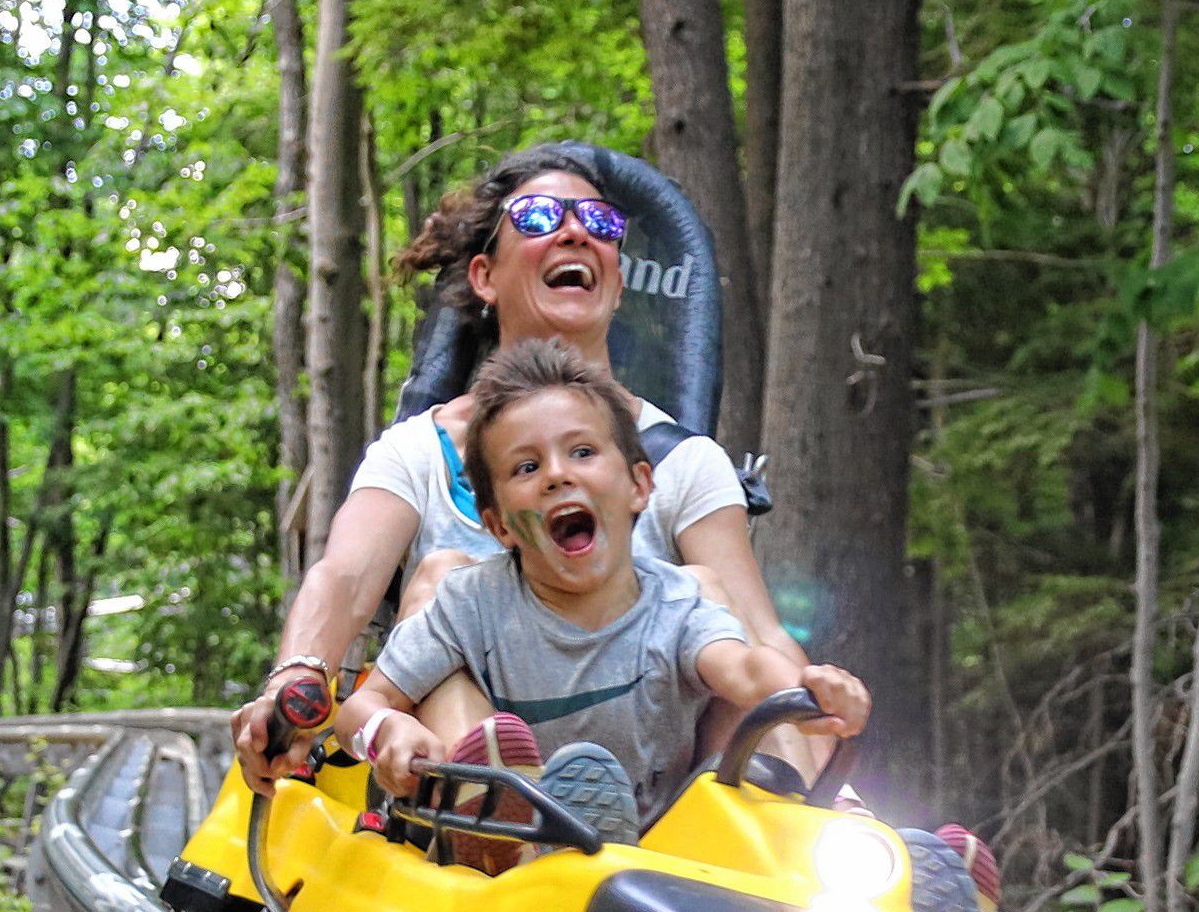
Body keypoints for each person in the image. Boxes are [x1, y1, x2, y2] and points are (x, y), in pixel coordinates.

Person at [235, 142, 802, 794]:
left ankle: (788, 826)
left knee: (709, 594)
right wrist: (296, 679)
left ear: (617, 282)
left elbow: (762, 638)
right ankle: (499, 807)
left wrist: (837, 783)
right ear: (484, 276)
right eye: (537, 217)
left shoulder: (681, 460)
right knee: (444, 578)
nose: (575, 232)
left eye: (602, 224)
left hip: (662, 806)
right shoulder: (419, 451)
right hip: (458, 814)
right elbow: (344, 577)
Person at [327, 341, 866, 865]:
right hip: (512, 861)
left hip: (659, 859)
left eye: (582, 452)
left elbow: (745, 668)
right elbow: (361, 706)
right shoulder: (470, 604)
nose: (558, 474)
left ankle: (827, 853)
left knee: (748, 705)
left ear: (638, 486)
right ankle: (500, 829)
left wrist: (806, 692)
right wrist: (385, 732)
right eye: (526, 468)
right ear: (497, 525)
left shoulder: (675, 603)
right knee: (439, 678)